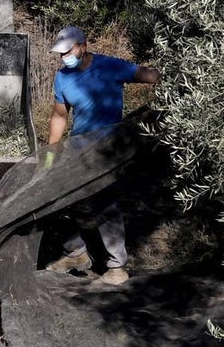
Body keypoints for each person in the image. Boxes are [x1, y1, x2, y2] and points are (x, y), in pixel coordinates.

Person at [43, 25, 160, 285]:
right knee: (60, 199)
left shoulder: (110, 67)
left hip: (108, 148)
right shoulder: (62, 77)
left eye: (68, 51)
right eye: (60, 54)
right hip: (77, 148)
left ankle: (117, 266)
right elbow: (60, 116)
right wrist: (51, 152)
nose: (64, 58)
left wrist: (180, 77)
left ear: (83, 46)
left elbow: (149, 76)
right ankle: (75, 253)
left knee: (105, 201)